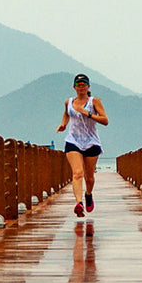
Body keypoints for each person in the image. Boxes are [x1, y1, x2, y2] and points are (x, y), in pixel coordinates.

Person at [56, 73, 108, 217]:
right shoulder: (69, 102)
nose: (81, 87)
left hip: (91, 142)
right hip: (73, 141)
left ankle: (88, 194)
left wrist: (88, 114)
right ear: (74, 87)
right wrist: (63, 125)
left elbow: (105, 120)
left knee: (89, 177)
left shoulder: (94, 102)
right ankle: (79, 203)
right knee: (77, 173)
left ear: (88, 86)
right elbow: (67, 113)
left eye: (84, 85)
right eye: (79, 85)